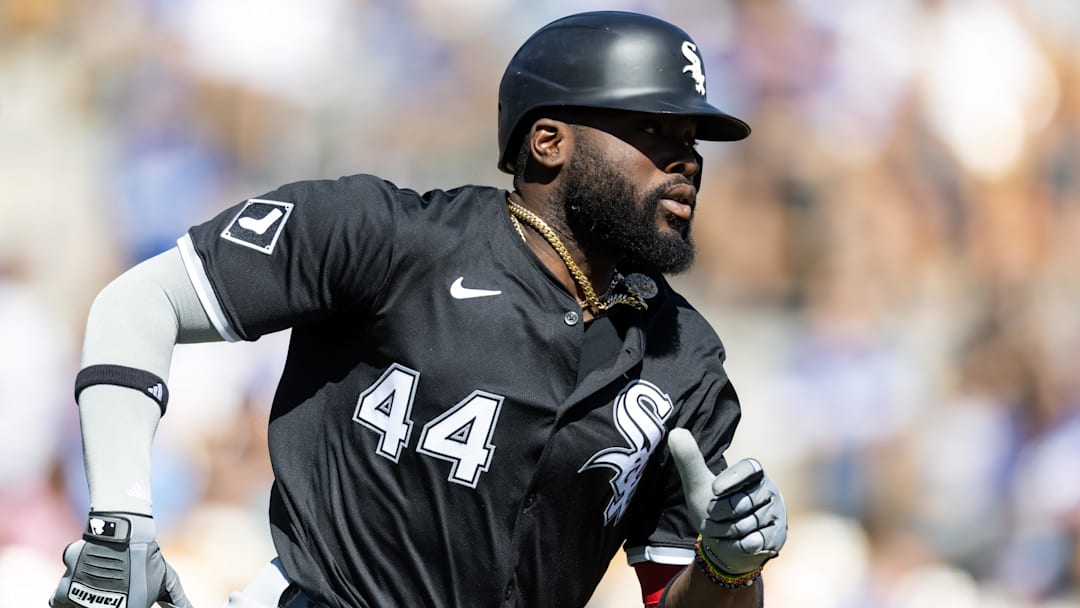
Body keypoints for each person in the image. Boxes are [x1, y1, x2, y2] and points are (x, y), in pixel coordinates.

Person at [51, 10, 787, 608]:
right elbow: (138, 302)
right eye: (654, 130)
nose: (687, 160)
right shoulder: (388, 237)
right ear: (548, 142)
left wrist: (727, 568)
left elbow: (674, 596)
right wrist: (121, 524)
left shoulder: (685, 355)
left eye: (691, 141)